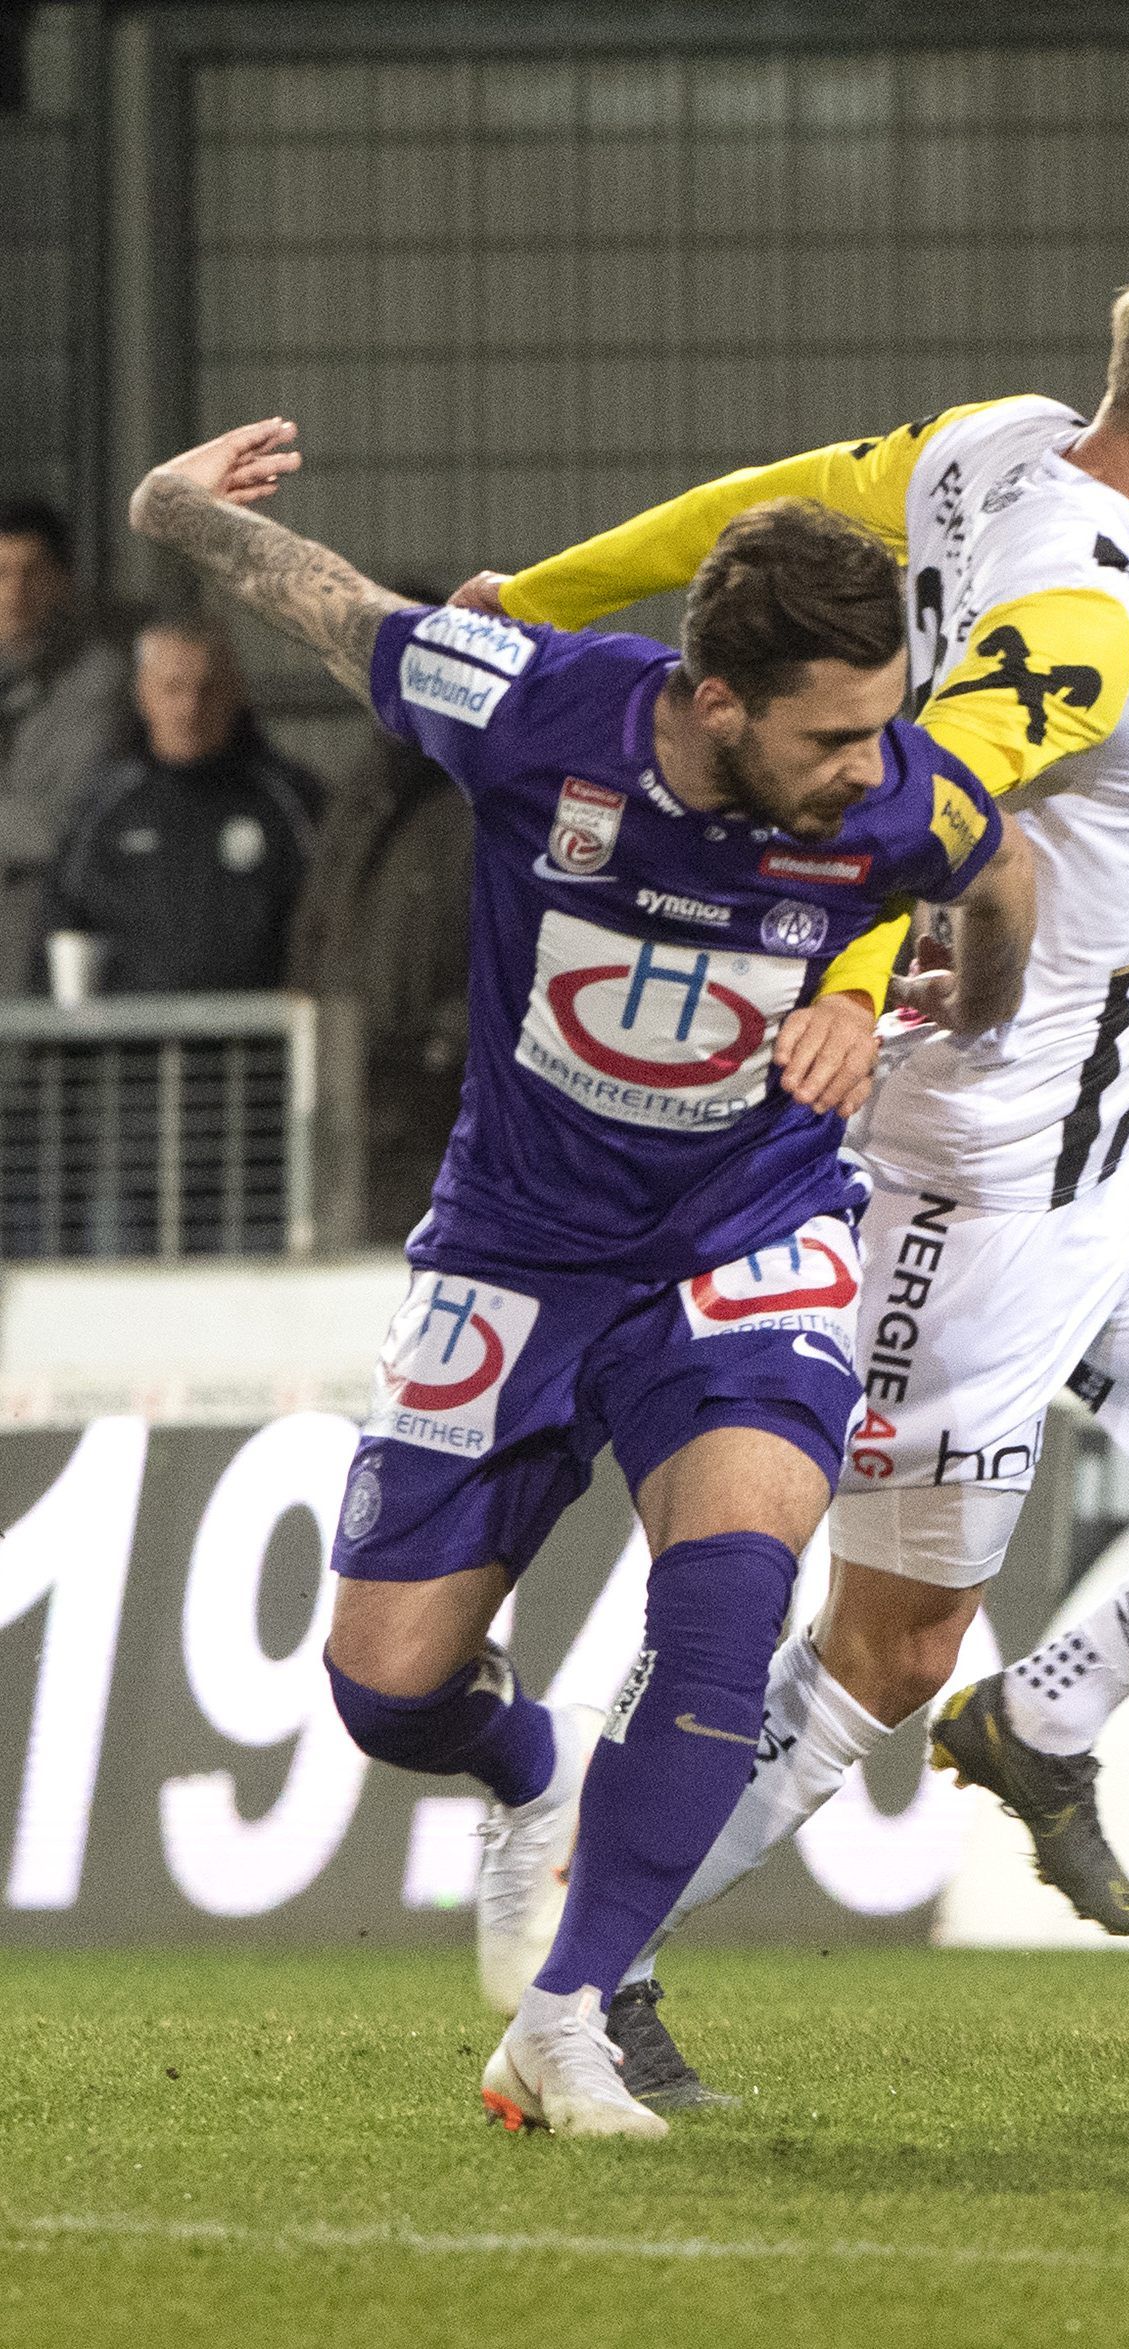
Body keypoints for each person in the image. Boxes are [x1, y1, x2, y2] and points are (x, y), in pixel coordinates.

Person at [460, 259, 1129, 2096]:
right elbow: (931, 799)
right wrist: (853, 981)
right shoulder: (1079, 613)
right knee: (878, 1652)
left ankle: (1053, 1708)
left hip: (1124, 1162)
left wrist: (541, 596)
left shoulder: (986, 448)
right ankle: (585, 1976)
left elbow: (747, 515)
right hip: (973, 1190)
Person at [128, 414, 1033, 2138]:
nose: (868, 765)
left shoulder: (892, 790)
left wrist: (913, 1002)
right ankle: (525, 1775)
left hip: (743, 1233)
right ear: (709, 705)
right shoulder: (532, 710)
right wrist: (170, 507)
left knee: (728, 1587)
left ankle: (565, 2015)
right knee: (387, 1686)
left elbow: (1001, 873)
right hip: (516, 1252)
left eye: (882, 723)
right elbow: (328, 601)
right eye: (829, 734)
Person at [287, 589, 473, 1243]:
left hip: (444, 1116)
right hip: (353, 1110)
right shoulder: (359, 794)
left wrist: (443, 1048)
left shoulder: (492, 798)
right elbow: (315, 931)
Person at [47, 617, 318, 994]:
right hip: (132, 1047)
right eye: (173, 689)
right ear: (144, 694)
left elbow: (325, 925)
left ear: (234, 693)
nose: (190, 708)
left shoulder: (287, 800)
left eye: (206, 690)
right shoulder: (103, 806)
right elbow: (61, 926)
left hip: (254, 1046)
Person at [0, 497, 134, 990]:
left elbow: (69, 822)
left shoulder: (99, 683)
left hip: (41, 941)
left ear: (61, 582)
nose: (14, 592)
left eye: (31, 573)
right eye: (1, 573)